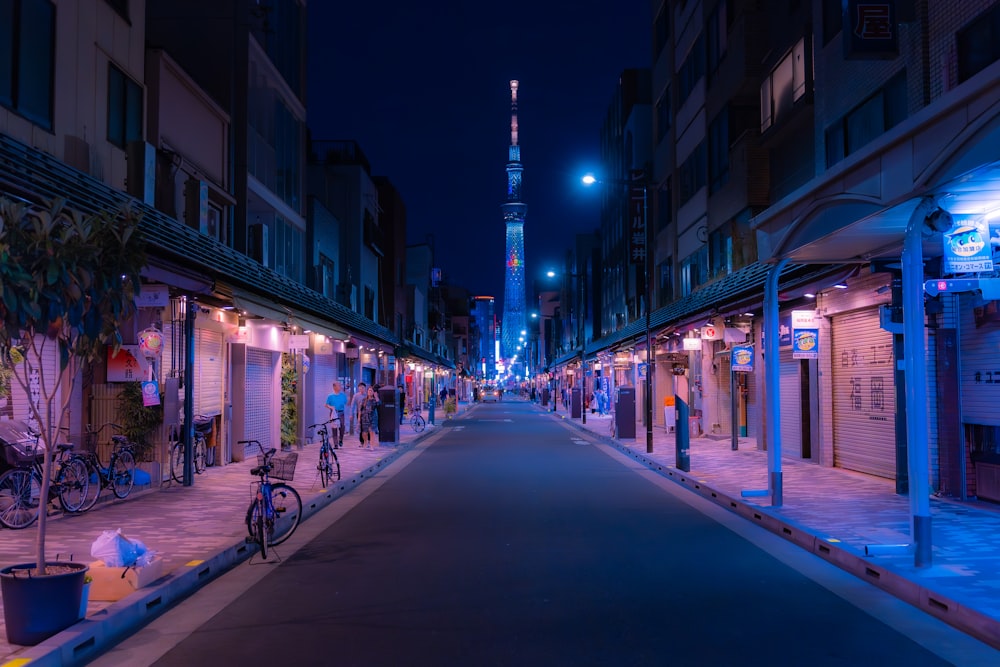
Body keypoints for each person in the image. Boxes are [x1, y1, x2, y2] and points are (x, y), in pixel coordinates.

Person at [324, 381, 347, 447]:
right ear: (334, 387)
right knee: (334, 428)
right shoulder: (330, 396)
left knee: (342, 426)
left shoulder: (343, 395)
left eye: (340, 385)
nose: (340, 386)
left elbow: (346, 403)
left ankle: (341, 439)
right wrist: (331, 407)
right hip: (333, 413)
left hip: (341, 413)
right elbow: (326, 405)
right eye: (338, 385)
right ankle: (336, 444)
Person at [359, 385, 380, 449]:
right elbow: (360, 409)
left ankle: (372, 445)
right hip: (365, 418)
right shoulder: (364, 400)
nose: (370, 392)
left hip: (373, 418)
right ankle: (365, 442)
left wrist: (376, 396)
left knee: (372, 431)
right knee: (364, 432)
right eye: (369, 390)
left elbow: (379, 404)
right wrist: (359, 417)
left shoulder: (375, 400)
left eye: (371, 390)